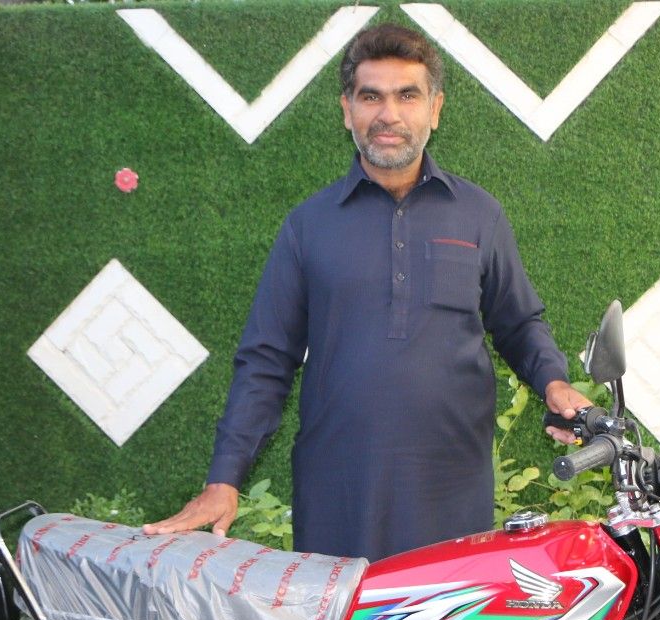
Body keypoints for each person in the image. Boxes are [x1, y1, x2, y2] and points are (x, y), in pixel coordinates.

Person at [144, 24, 589, 560]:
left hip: (452, 493)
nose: (389, 114)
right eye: (371, 96)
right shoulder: (309, 226)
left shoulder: (478, 215)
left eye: (408, 95)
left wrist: (553, 381)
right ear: (347, 110)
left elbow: (518, 323)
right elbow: (266, 359)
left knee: (445, 619)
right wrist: (224, 478)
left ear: (435, 109)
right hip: (336, 496)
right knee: (341, 618)